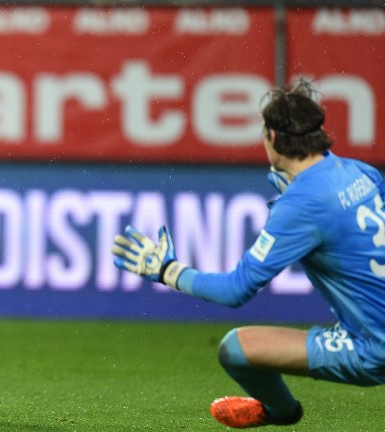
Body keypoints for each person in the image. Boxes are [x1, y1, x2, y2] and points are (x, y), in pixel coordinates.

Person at [112, 80, 385, 428]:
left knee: (235, 349)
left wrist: (167, 270)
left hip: (373, 347)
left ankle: (281, 411)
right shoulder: (361, 172)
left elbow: (235, 290)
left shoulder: (301, 204)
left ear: (272, 137)